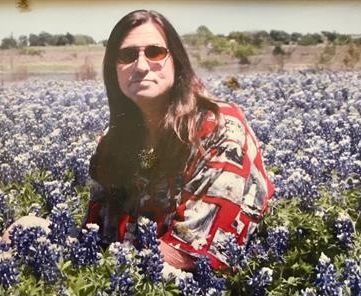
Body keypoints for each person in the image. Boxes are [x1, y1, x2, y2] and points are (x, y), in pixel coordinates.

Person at [82, 9, 274, 271]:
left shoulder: (218, 127)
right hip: (125, 273)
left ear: (177, 61)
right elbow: (96, 234)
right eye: (127, 55)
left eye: (155, 52)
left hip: (192, 291)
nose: (140, 65)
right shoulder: (120, 141)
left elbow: (193, 251)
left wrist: (114, 271)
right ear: (113, 69)